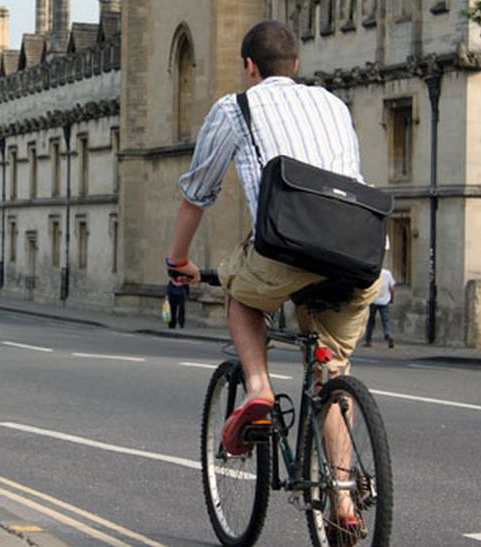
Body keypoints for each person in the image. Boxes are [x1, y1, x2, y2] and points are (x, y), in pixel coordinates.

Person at [165, 21, 380, 532]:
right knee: (334, 375)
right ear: (298, 67)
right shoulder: (334, 104)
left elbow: (197, 191)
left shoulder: (235, 108)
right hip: (360, 254)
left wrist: (178, 261)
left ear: (249, 68)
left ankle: (258, 390)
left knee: (241, 295)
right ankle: (344, 504)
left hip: (284, 250)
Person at [364, 268, 396, 348]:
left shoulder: (374, 273)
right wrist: (392, 298)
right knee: (385, 320)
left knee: (370, 321)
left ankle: (368, 340)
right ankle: (387, 335)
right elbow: (392, 288)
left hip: (373, 300)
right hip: (385, 301)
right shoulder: (387, 273)